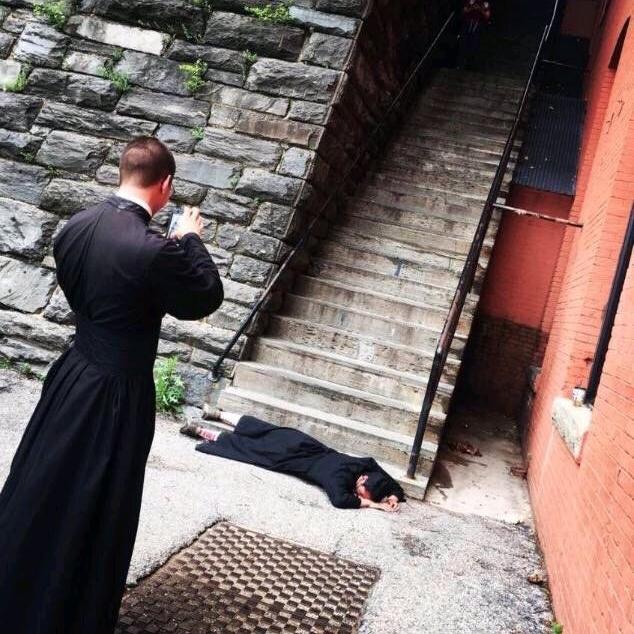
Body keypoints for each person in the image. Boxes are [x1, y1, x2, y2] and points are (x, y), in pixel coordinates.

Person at [0, 137, 224, 634]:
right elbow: (205, 296)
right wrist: (190, 238)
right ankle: (66, 610)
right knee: (97, 500)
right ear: (164, 185)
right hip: (117, 391)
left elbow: (80, 286)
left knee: (43, 481)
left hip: (73, 373)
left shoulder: (76, 225)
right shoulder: (153, 249)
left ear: (123, 172)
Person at [181, 409, 406, 511]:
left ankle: (217, 415)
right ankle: (201, 430)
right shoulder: (337, 478)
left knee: (262, 430)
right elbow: (340, 500)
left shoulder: (363, 465)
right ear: (363, 479)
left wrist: (393, 495)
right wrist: (374, 504)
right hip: (291, 458)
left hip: (301, 442)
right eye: (360, 491)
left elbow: (387, 479)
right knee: (248, 449)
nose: (357, 495)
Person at [457, 0, 491, 69]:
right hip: (467, 24)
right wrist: (472, 8)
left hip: (478, 25)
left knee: (474, 45)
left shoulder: (485, 3)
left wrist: (480, 9)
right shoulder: (470, 1)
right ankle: (460, 63)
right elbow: (464, 11)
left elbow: (487, 16)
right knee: (463, 43)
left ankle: (470, 64)